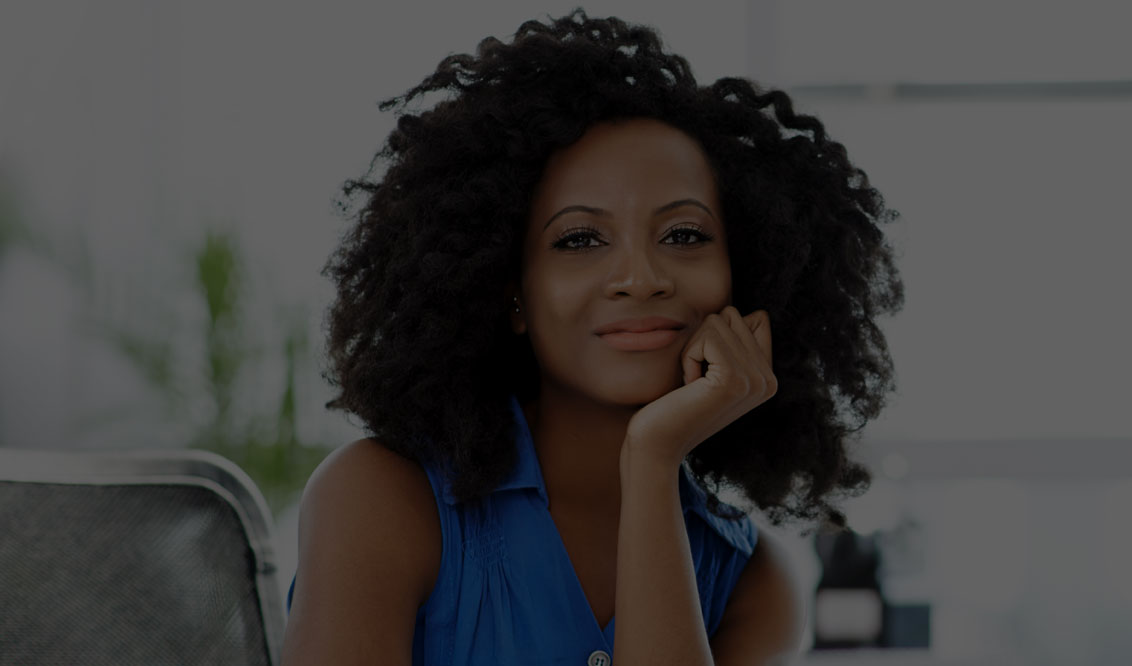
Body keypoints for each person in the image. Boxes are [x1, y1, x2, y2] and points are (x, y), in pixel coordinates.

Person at [282, 9, 904, 665]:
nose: (640, 278)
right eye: (579, 239)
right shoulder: (380, 500)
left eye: (684, 236)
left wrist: (653, 461)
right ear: (510, 292)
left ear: (748, 277)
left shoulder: (754, 579)